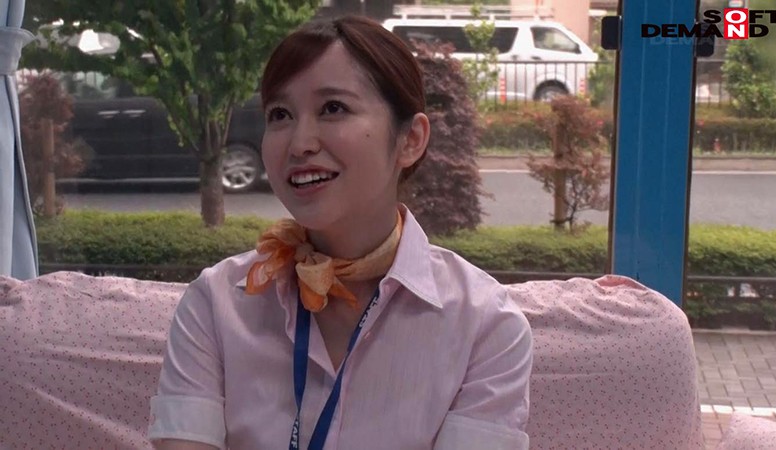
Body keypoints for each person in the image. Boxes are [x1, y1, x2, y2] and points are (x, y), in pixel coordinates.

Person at [148, 15, 533, 450]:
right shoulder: (216, 305)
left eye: (333, 108)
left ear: (410, 139)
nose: (299, 143)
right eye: (280, 114)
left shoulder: (486, 327)